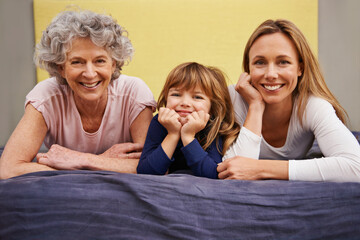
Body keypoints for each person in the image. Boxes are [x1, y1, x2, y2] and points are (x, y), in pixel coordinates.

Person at [0, 10, 157, 179]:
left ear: (113, 64)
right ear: (61, 67)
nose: (90, 73)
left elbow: (154, 165)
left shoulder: (134, 93)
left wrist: (82, 160)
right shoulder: (46, 96)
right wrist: (101, 162)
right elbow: (9, 168)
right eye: (77, 62)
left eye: (99, 61)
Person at [217, 19, 360, 182]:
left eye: (283, 62)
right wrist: (255, 106)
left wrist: (260, 169)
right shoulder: (230, 99)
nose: (271, 74)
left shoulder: (312, 106)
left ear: (300, 68)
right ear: (248, 68)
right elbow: (235, 172)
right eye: (260, 62)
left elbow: (356, 166)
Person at [137, 62, 240, 179]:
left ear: (212, 108)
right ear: (166, 98)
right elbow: (146, 172)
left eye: (197, 97)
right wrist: (173, 134)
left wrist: (188, 137)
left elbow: (213, 175)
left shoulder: (215, 125)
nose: (185, 103)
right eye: (176, 94)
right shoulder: (160, 122)